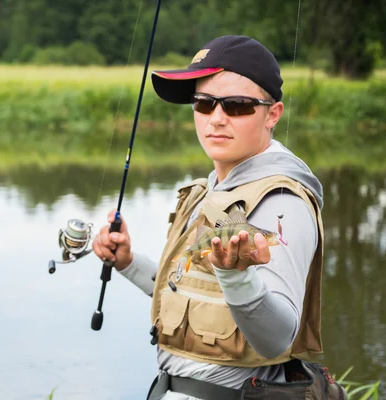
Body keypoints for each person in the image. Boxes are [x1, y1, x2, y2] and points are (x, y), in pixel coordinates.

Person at [92, 35, 344, 399]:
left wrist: (235, 277)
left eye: (238, 105)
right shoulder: (210, 190)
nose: (217, 118)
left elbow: (276, 338)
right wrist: (128, 262)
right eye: (204, 104)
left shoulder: (282, 203)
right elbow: (190, 290)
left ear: (273, 114)